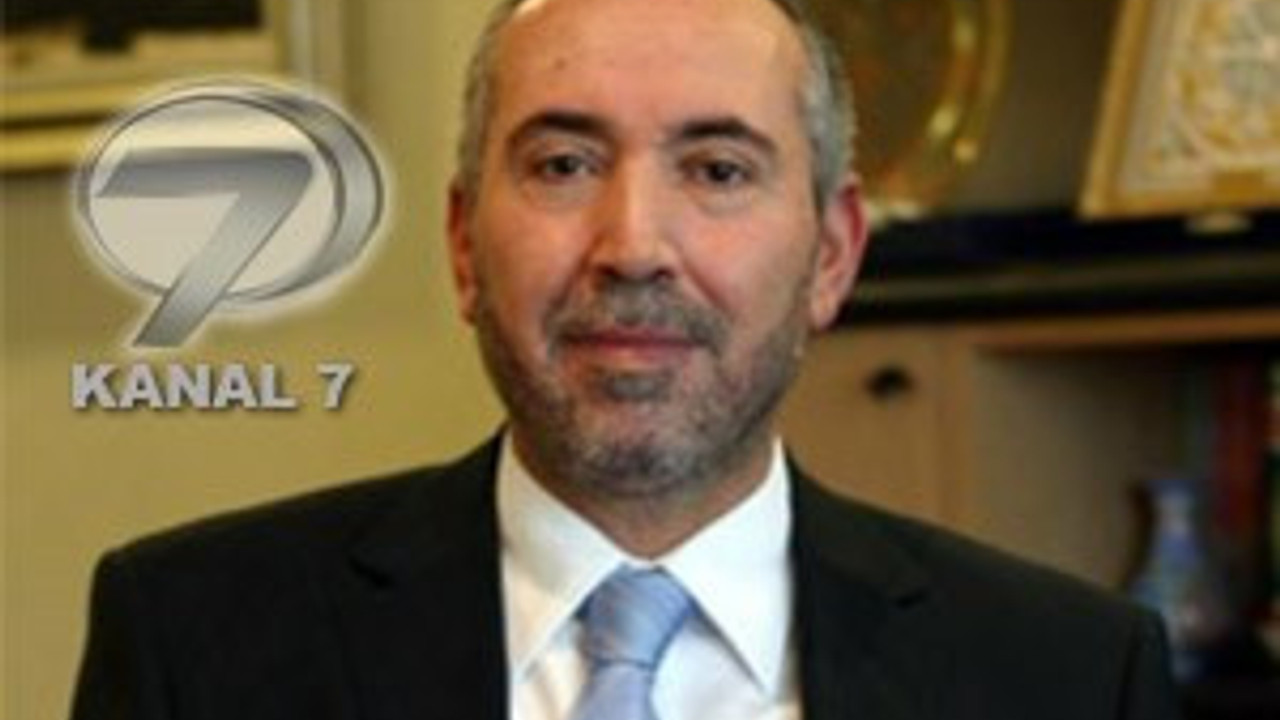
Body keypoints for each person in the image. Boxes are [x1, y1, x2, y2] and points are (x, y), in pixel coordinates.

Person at [70, 0, 1183, 718]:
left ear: (833, 255)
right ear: (462, 246)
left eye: (717, 170)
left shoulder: (1070, 678)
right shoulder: (193, 644)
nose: (633, 245)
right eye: (563, 164)